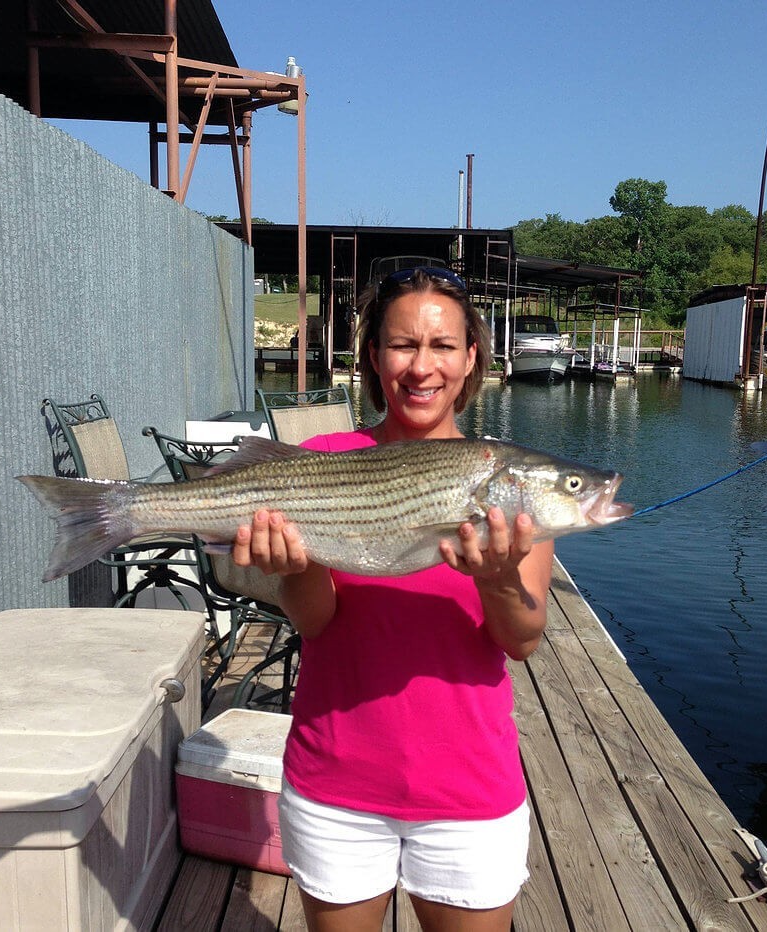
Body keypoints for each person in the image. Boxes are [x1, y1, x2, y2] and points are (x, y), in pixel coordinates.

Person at [232, 266, 554, 931]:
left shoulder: (510, 483)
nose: (422, 366)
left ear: (472, 357)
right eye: (403, 344)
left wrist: (496, 578)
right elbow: (316, 622)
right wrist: (294, 569)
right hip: (335, 781)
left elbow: (522, 640)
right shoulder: (325, 457)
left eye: (443, 346)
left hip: (469, 788)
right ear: (374, 356)